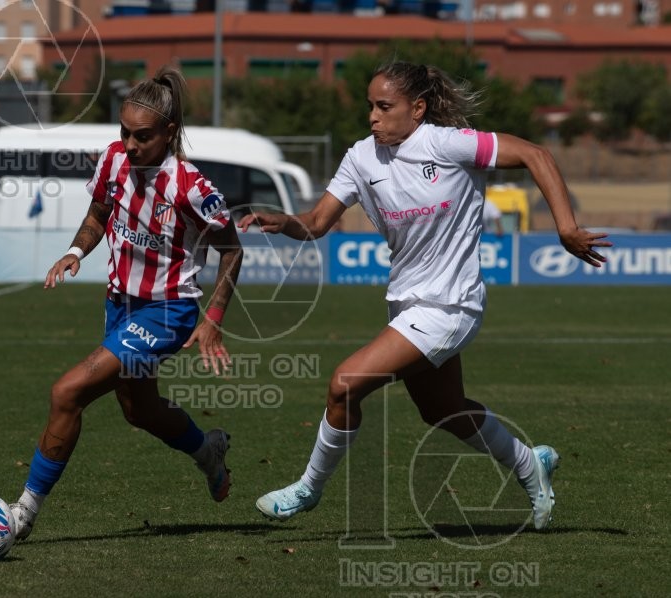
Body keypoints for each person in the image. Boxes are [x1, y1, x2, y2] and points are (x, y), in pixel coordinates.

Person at [238, 61, 611, 530]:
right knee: (443, 411)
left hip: (450, 306)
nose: (373, 116)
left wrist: (566, 227)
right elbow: (314, 224)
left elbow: (536, 154)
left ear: (417, 109)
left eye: (384, 106)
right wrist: (283, 221)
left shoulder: (448, 143)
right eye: (369, 105)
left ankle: (308, 488)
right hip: (407, 305)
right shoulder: (360, 158)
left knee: (344, 383)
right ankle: (527, 462)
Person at [10, 66, 244, 541]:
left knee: (67, 392)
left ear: (169, 133)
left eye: (143, 136)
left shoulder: (191, 187)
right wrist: (76, 251)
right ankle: (208, 453)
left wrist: (213, 318)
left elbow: (233, 248)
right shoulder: (113, 160)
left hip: (166, 312)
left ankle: (22, 514)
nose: (131, 144)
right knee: (140, 410)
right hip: (120, 305)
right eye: (125, 132)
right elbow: (99, 211)